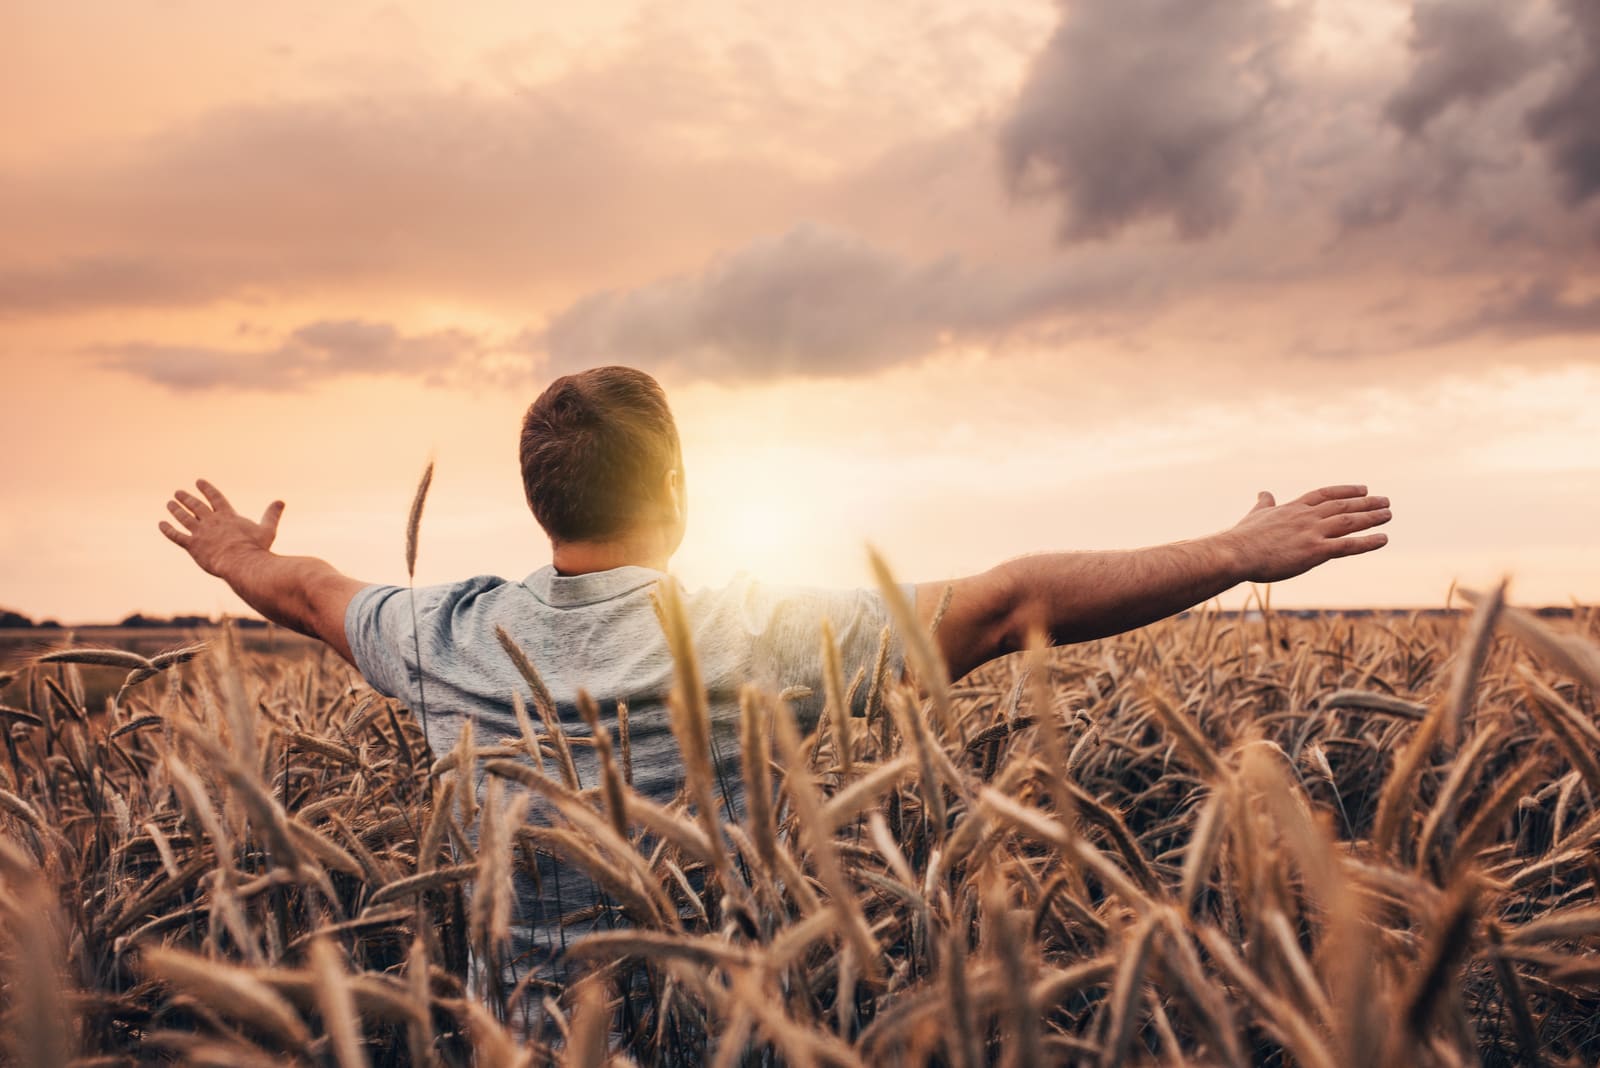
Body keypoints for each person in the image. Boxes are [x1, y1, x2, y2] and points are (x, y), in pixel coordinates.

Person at [158, 364, 1391, 978]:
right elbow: (1017, 598)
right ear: (681, 491)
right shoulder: (763, 638)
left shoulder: (444, 636)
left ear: (536, 500)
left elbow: (309, 591)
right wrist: (1233, 552)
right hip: (726, 1026)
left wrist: (232, 558)